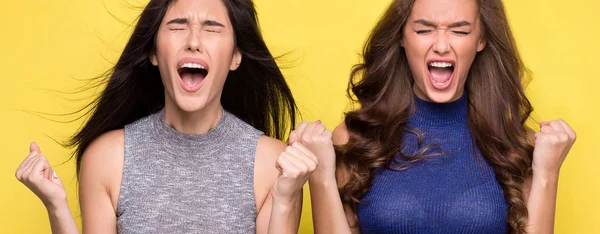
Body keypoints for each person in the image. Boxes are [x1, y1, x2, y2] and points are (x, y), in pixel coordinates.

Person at [14, 0, 318, 233]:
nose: (193, 41)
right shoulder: (107, 158)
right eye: (176, 26)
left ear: (236, 56)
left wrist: (284, 199)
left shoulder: (274, 164)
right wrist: (56, 206)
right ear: (153, 53)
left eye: (212, 27)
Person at [301, 0, 577, 233]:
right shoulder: (358, 138)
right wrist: (320, 176)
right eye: (424, 30)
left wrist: (547, 174)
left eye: (460, 31)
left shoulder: (514, 143)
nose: (442, 46)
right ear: (401, 37)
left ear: (481, 39)